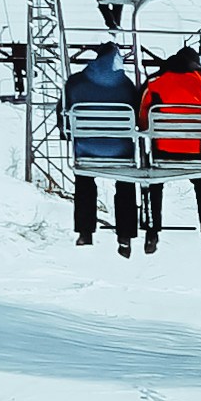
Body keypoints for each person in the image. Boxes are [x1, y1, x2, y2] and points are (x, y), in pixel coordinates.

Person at [146, 44, 201, 252]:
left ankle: (152, 231)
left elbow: (143, 120)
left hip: (163, 154)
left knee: (154, 181)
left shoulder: (155, 83)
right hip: (199, 154)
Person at [65, 41, 134, 251]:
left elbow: (65, 116)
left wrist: (68, 135)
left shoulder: (76, 82)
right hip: (120, 150)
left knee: (84, 180)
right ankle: (125, 234)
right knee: (125, 181)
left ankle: (85, 232)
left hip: (87, 148)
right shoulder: (127, 85)